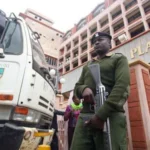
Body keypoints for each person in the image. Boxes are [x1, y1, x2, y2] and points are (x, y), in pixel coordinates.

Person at [71, 32, 130, 150]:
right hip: (86, 114)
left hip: (110, 115)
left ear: (109, 42)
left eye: (101, 39)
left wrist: (101, 115)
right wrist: (84, 89)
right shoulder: (88, 65)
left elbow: (121, 87)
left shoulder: (118, 59)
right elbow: (77, 87)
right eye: (94, 42)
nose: (96, 42)